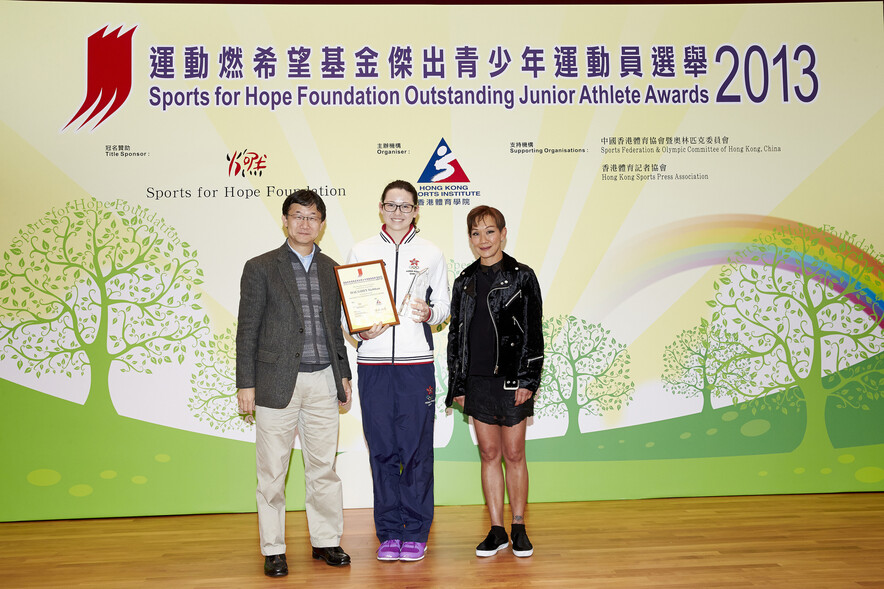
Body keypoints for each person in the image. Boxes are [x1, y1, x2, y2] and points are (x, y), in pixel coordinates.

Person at [236, 189, 353, 577]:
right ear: (285, 220)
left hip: (323, 379)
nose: (305, 223)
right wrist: (246, 383)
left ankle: (326, 541)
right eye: (298, 215)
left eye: (313, 216)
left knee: (324, 467)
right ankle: (273, 548)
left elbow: (336, 330)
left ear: (322, 224)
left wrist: (344, 374)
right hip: (274, 382)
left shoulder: (333, 269)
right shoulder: (260, 266)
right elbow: (247, 329)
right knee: (272, 471)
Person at [346, 180, 450, 562]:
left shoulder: (431, 253)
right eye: (392, 205)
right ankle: (389, 532)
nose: (398, 212)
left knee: (417, 450)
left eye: (406, 207)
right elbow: (348, 309)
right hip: (373, 365)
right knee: (383, 449)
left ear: (416, 210)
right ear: (380, 207)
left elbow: (442, 305)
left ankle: (417, 531)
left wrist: (430, 313)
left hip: (415, 365)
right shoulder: (361, 250)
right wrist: (359, 328)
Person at [446, 205, 544, 558]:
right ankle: (497, 529)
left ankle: (519, 527)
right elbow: (456, 338)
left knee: (514, 454)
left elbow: (534, 333)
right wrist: (456, 385)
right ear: (470, 239)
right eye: (476, 233)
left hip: (512, 380)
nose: (483, 240)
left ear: (503, 233)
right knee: (489, 454)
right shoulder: (464, 281)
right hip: (476, 382)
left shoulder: (523, 276)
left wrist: (528, 379)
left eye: (490, 231)